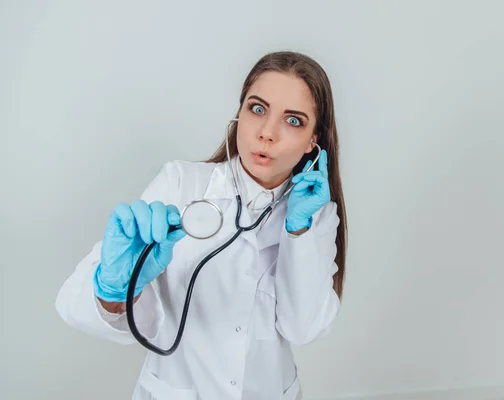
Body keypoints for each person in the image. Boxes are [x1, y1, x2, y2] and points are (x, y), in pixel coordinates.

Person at [55, 50, 348, 400]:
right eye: (257, 109)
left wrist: (298, 232)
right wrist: (115, 288)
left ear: (313, 141)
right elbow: (72, 306)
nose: (267, 133)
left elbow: (303, 329)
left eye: (293, 120)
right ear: (239, 115)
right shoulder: (181, 184)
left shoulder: (317, 215)